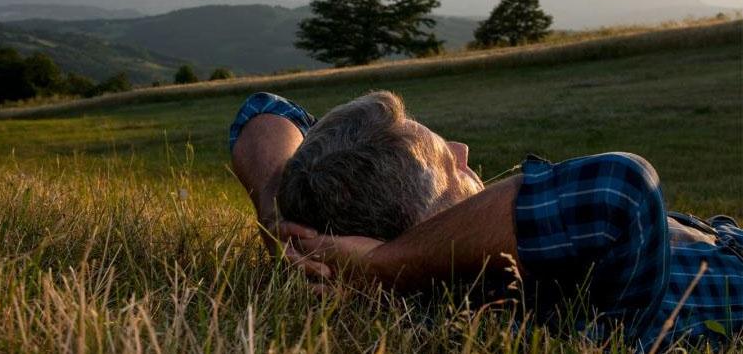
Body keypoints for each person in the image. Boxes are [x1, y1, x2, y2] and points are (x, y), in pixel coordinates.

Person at [229, 91, 743, 350]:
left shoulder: (387, 222)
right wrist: (382, 264)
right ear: (424, 223)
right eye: (447, 165)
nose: (462, 149)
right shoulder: (525, 297)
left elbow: (266, 109)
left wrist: (282, 215)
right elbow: (621, 187)